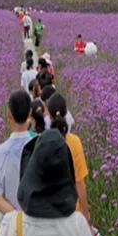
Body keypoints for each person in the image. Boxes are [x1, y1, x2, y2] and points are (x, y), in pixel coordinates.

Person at [0, 90, 33, 219]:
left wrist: (19, 220)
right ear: (30, 112)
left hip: (9, 230)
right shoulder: (40, 147)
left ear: (9, 114)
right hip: (37, 230)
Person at [47, 93, 90, 223]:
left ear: (49, 116)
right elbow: (79, 182)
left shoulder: (43, 142)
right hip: (73, 211)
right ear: (66, 114)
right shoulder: (75, 142)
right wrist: (86, 213)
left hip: (51, 211)